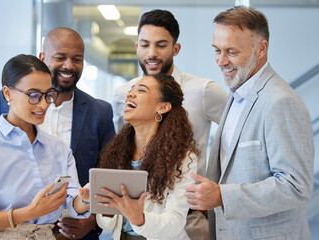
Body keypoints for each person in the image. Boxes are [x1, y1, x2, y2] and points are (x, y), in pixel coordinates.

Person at [185, 6, 314, 240]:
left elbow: (296, 186)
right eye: (217, 50)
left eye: (231, 52)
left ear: (261, 49)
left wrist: (222, 196)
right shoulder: (237, 95)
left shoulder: (280, 102)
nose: (221, 61)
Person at [0, 27, 115, 240]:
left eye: (77, 59)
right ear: (42, 58)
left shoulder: (100, 112)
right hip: (16, 228)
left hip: (77, 231)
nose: (69, 66)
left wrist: (90, 221)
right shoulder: (7, 103)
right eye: (60, 57)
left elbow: (108, 174)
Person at [112, 9, 227, 239]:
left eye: (161, 45)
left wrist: (217, 189)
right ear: (137, 47)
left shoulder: (203, 90)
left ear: (176, 49)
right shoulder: (124, 94)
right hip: (131, 220)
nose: (151, 53)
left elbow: (234, 134)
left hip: (189, 216)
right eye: (144, 45)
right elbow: (124, 145)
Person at [0, 54, 91, 239]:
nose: (43, 104)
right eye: (34, 95)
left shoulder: (58, 149)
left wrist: (85, 199)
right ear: (8, 93)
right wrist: (31, 212)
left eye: (48, 95)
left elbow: (71, 203)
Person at [96, 74, 199, 240]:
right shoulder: (118, 151)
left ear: (163, 107)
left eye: (141, 90)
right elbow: (106, 224)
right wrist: (106, 209)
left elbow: (175, 221)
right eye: (131, 90)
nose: (130, 94)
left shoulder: (184, 158)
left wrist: (140, 219)